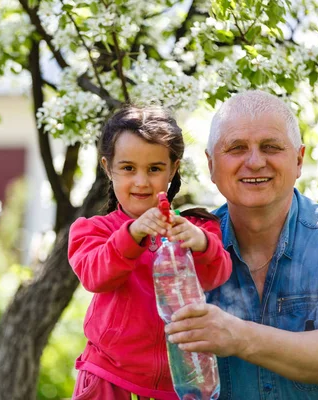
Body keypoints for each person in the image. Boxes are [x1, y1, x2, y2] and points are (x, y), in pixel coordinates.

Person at [165, 90, 318, 399]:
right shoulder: (181, 253)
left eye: (271, 147)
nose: (255, 162)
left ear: (298, 160)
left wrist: (237, 335)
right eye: (237, 148)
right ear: (211, 165)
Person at [68, 104, 232, 400]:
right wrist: (132, 234)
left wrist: (202, 243)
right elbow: (95, 275)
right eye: (128, 168)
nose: (141, 181)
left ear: (173, 169)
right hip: (108, 378)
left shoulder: (195, 226)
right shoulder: (93, 230)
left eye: (154, 169)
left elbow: (216, 275)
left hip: (179, 383)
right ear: (108, 168)